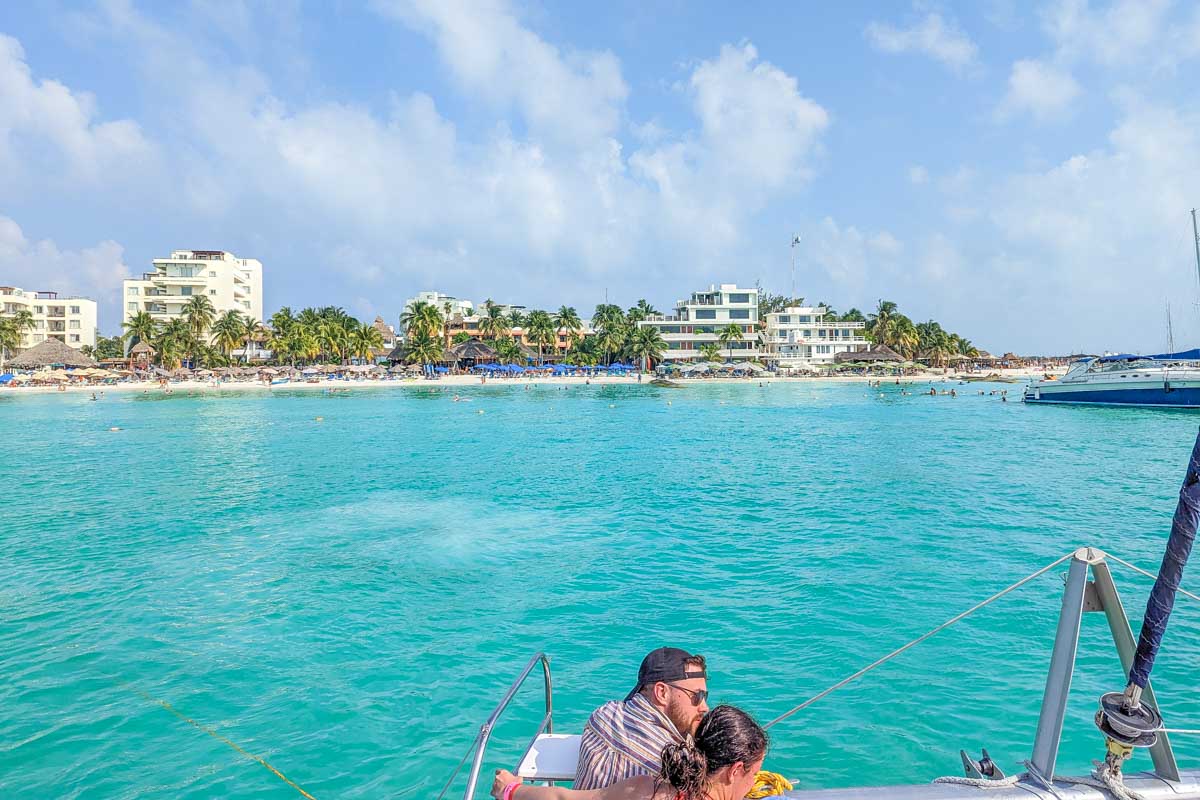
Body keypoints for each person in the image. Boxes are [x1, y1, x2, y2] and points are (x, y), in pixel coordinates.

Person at [491, 704, 765, 800]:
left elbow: (562, 797)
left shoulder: (649, 790)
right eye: (754, 773)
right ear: (736, 771)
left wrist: (510, 791)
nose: (755, 780)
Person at [573, 647, 709, 790]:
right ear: (662, 693)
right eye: (697, 696)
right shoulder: (674, 768)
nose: (704, 707)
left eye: (704, 697)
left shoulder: (602, 716)